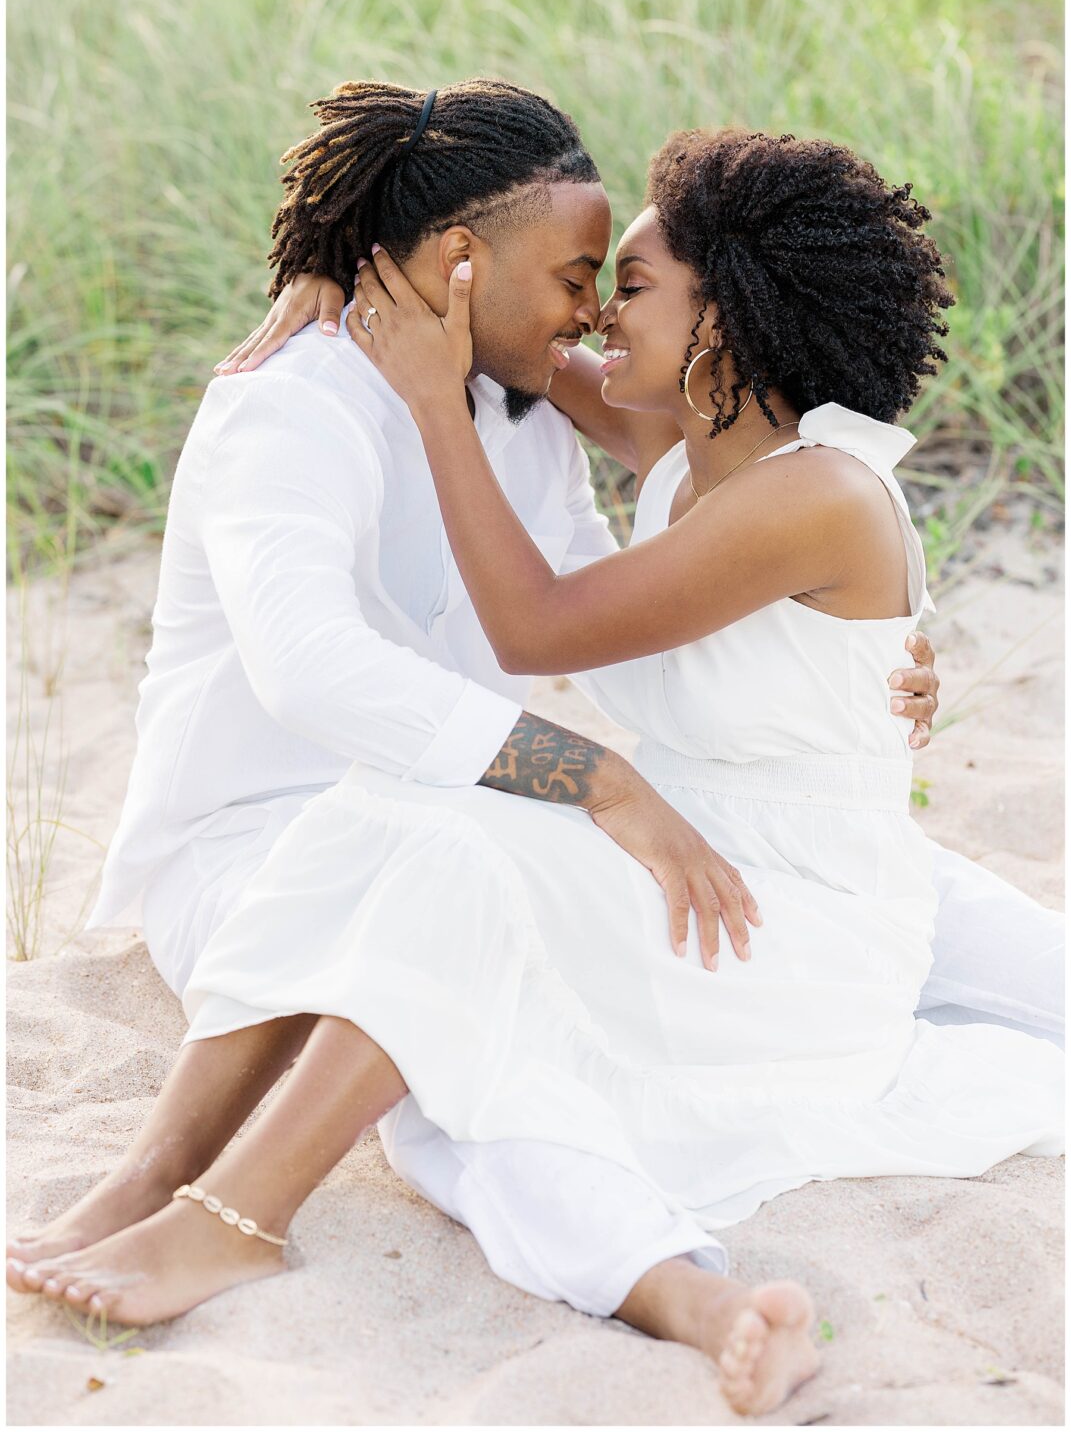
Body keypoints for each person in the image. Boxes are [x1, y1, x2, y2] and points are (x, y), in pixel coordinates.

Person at [0, 84, 1047, 1418]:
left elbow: (548, 618)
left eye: (628, 283)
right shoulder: (650, 427)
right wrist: (343, 267)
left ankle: (227, 1212)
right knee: (444, 869)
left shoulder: (779, 476)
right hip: (656, 846)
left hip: (792, 889)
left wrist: (439, 393)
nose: (596, 314)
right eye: (579, 280)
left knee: (456, 864)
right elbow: (346, 635)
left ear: (720, 321)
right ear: (456, 271)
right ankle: (193, 1199)